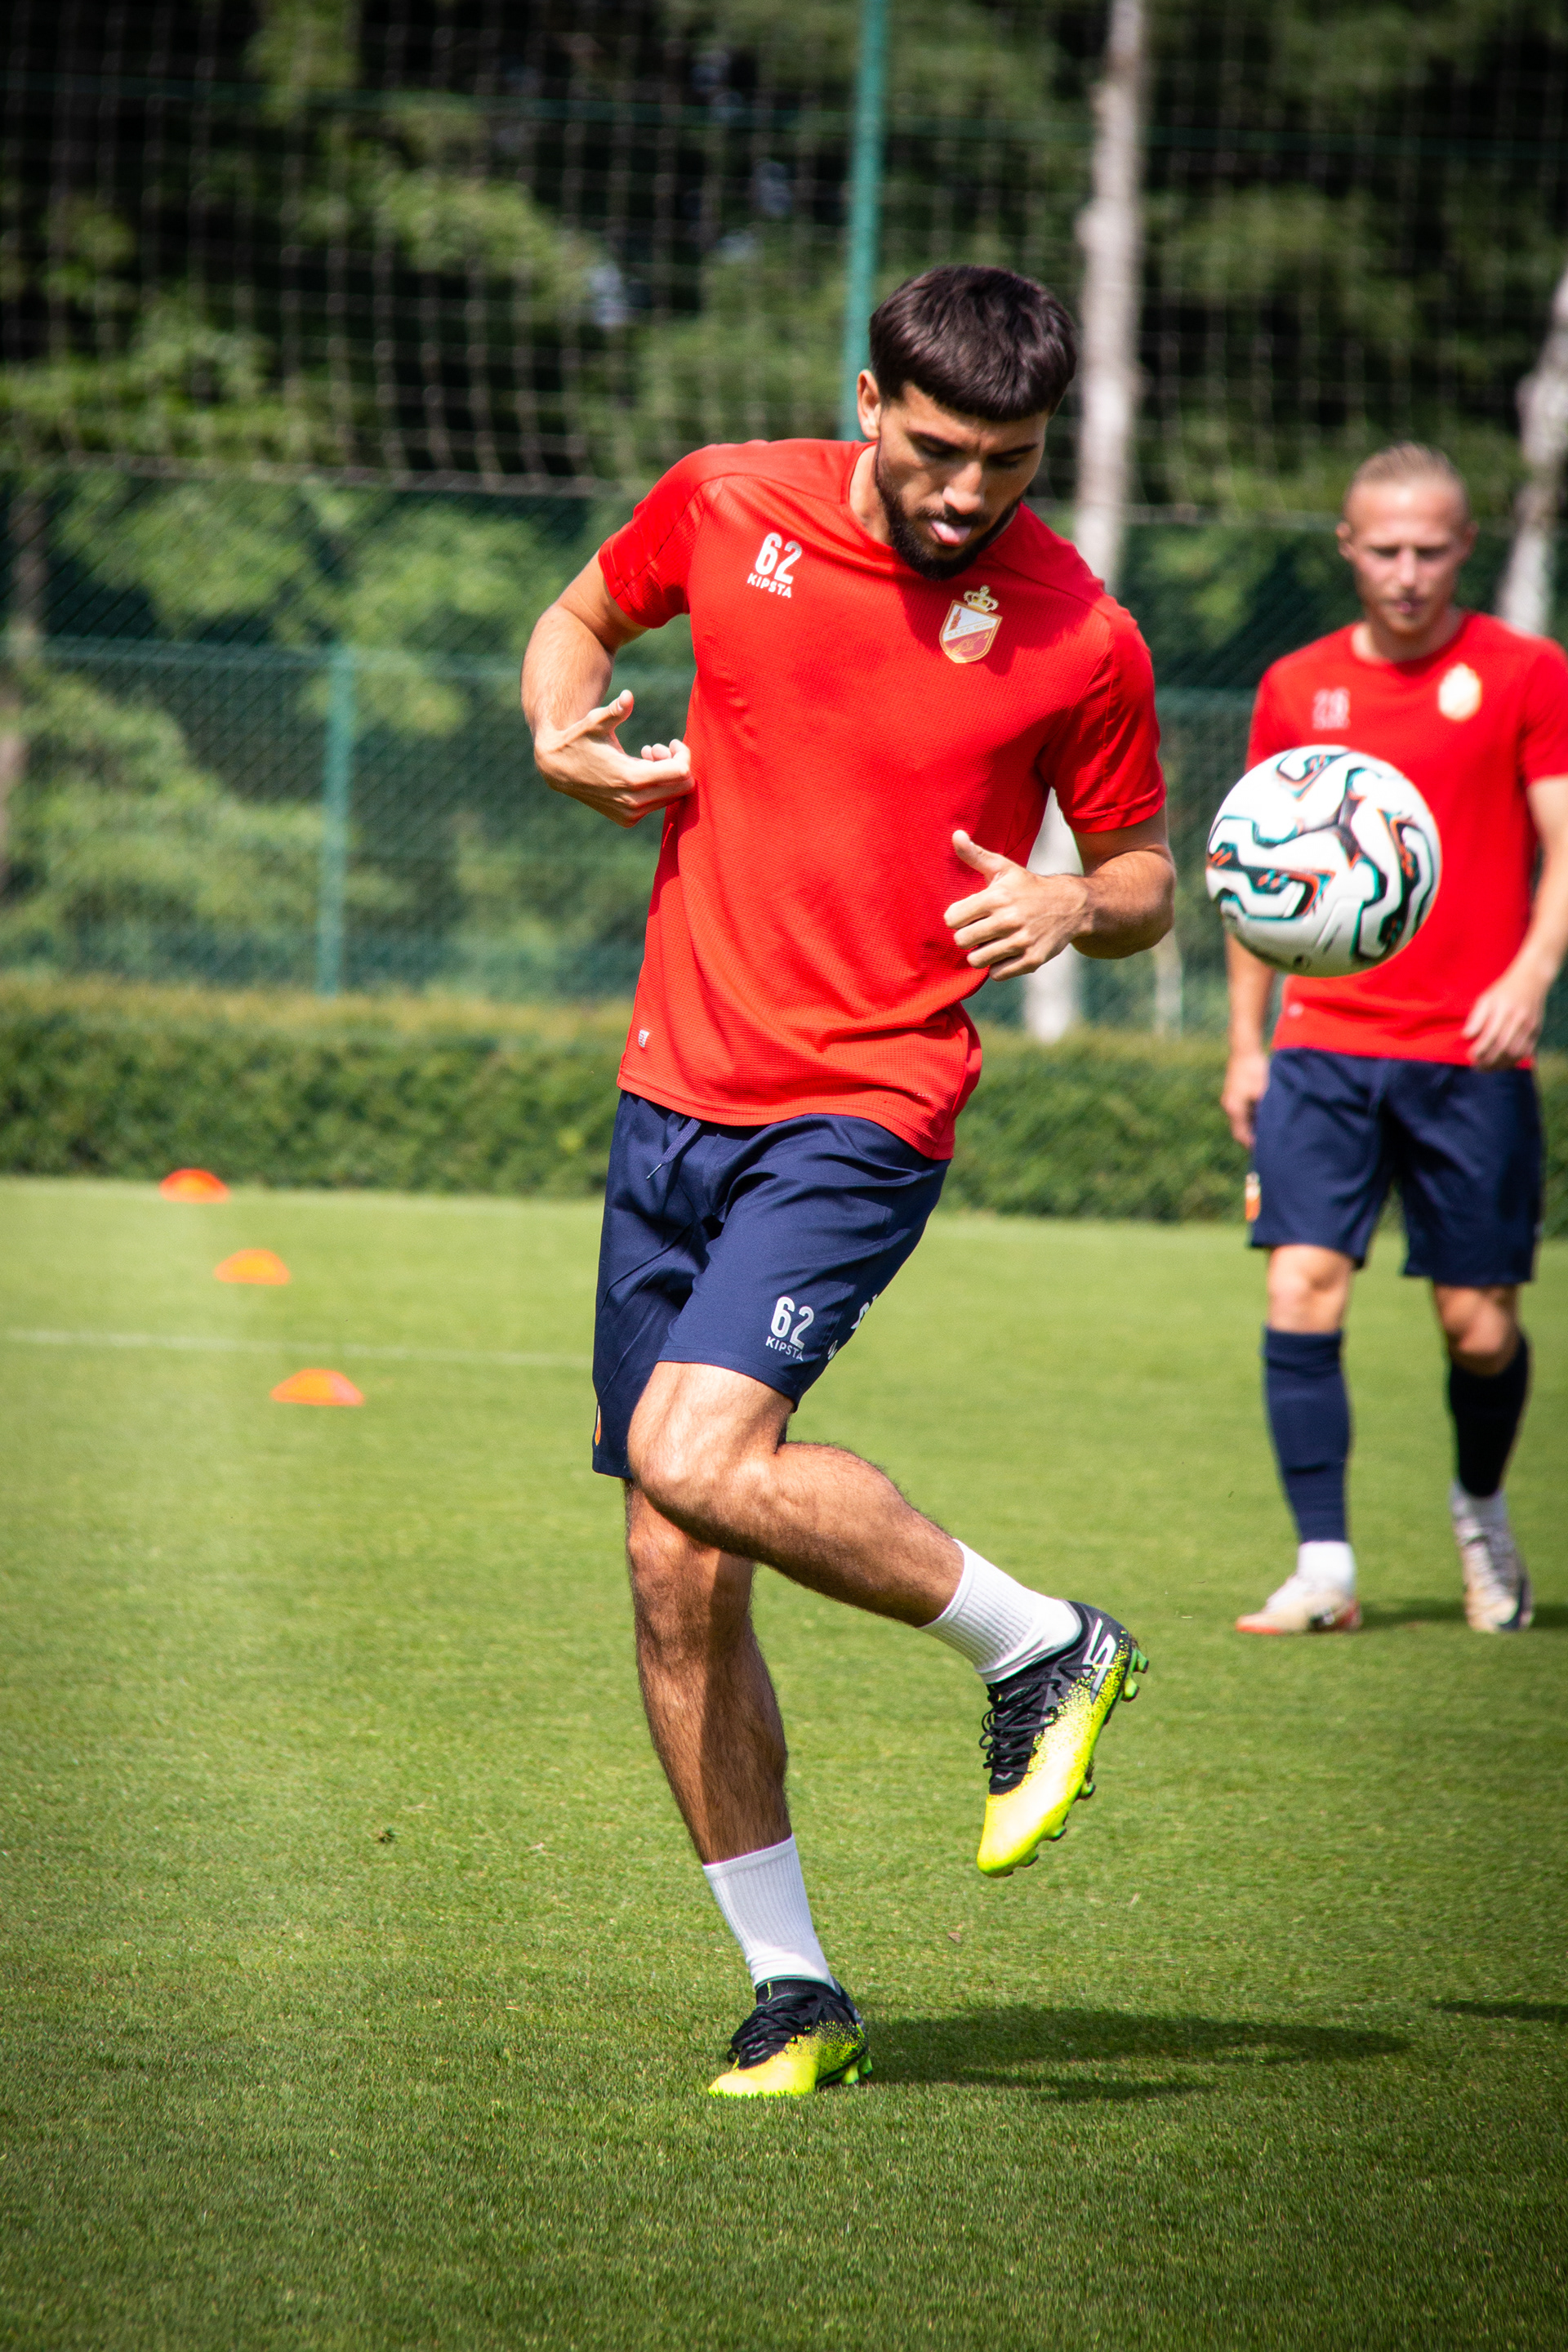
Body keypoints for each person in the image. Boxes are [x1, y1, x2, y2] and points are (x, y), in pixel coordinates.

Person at [521, 265, 1171, 2096]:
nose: (972, 494)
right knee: (674, 1566)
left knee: (693, 1455)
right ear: (870, 401)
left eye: (1011, 462)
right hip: (672, 1090)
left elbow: (1142, 875)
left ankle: (1042, 1647)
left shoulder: (1082, 634)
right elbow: (580, 615)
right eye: (943, 449)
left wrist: (1072, 900)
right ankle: (795, 1991)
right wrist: (559, 730)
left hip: (865, 1104)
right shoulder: (729, 501)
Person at [1223, 443, 1568, 1637]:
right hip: (1323, 1046)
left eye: (1430, 549)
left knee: (1479, 1327)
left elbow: (1564, 845)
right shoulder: (1296, 685)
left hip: (1472, 1053)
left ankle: (1481, 1508)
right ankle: (1323, 1566)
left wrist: (1529, 974)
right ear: (1348, 549)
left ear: (1466, 545)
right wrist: (1247, 1042)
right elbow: (1256, 878)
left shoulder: (1527, 673)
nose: (1408, 572)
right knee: (1301, 1284)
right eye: (1385, 550)